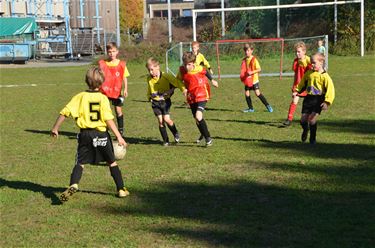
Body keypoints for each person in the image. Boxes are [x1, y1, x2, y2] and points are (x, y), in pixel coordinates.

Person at [51, 67, 130, 202]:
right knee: (112, 162)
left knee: (80, 162)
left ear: (86, 81)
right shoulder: (103, 98)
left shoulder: (80, 97)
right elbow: (108, 119)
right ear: (102, 82)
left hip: (86, 135)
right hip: (102, 134)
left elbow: (65, 112)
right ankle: (121, 189)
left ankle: (74, 184)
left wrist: (55, 128)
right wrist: (119, 136)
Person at [177, 51, 219, 146]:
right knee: (196, 119)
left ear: (193, 63)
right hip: (191, 96)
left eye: (189, 64)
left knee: (198, 116)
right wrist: (183, 88)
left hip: (202, 94)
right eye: (185, 64)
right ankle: (203, 134)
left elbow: (206, 72)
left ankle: (208, 138)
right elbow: (178, 80)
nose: (187, 67)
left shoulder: (199, 68)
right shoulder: (182, 70)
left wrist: (212, 80)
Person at [295, 52, 335, 144]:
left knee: (312, 119)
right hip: (308, 99)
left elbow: (330, 90)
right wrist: (297, 91)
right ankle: (305, 130)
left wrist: (327, 102)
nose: (312, 65)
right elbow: (302, 84)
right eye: (311, 63)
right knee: (303, 120)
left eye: (314, 63)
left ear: (321, 62)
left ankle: (312, 139)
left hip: (318, 100)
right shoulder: (309, 73)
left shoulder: (325, 76)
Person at [146, 57, 187, 146]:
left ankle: (175, 133)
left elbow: (177, 82)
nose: (150, 72)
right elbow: (149, 89)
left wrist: (183, 89)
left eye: (152, 70)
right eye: (149, 70)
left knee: (167, 120)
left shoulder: (166, 76)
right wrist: (149, 96)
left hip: (165, 102)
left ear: (158, 67)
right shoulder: (149, 78)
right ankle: (166, 140)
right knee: (160, 121)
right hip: (155, 102)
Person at [98, 42, 129, 137]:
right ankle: (105, 129)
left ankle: (120, 130)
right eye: (110, 51)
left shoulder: (121, 64)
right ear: (107, 52)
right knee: (105, 110)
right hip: (105, 91)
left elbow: (124, 77)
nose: (112, 53)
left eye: (114, 51)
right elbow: (99, 76)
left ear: (117, 52)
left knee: (118, 110)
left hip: (117, 91)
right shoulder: (103, 63)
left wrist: (125, 89)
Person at [283, 41, 312, 126]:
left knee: (308, 104)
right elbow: (296, 74)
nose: (297, 53)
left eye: (299, 52)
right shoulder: (296, 61)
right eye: (296, 51)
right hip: (298, 85)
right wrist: (294, 86)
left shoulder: (309, 60)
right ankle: (289, 119)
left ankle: (307, 120)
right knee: (294, 100)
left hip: (307, 86)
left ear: (304, 51)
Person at [240, 43, 273, 113]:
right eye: (245, 50)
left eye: (248, 50)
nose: (246, 52)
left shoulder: (254, 59)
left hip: (254, 80)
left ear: (252, 51)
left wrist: (252, 72)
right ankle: (251, 108)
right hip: (247, 80)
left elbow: (259, 69)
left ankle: (268, 106)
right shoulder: (245, 60)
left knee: (257, 93)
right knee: (247, 93)